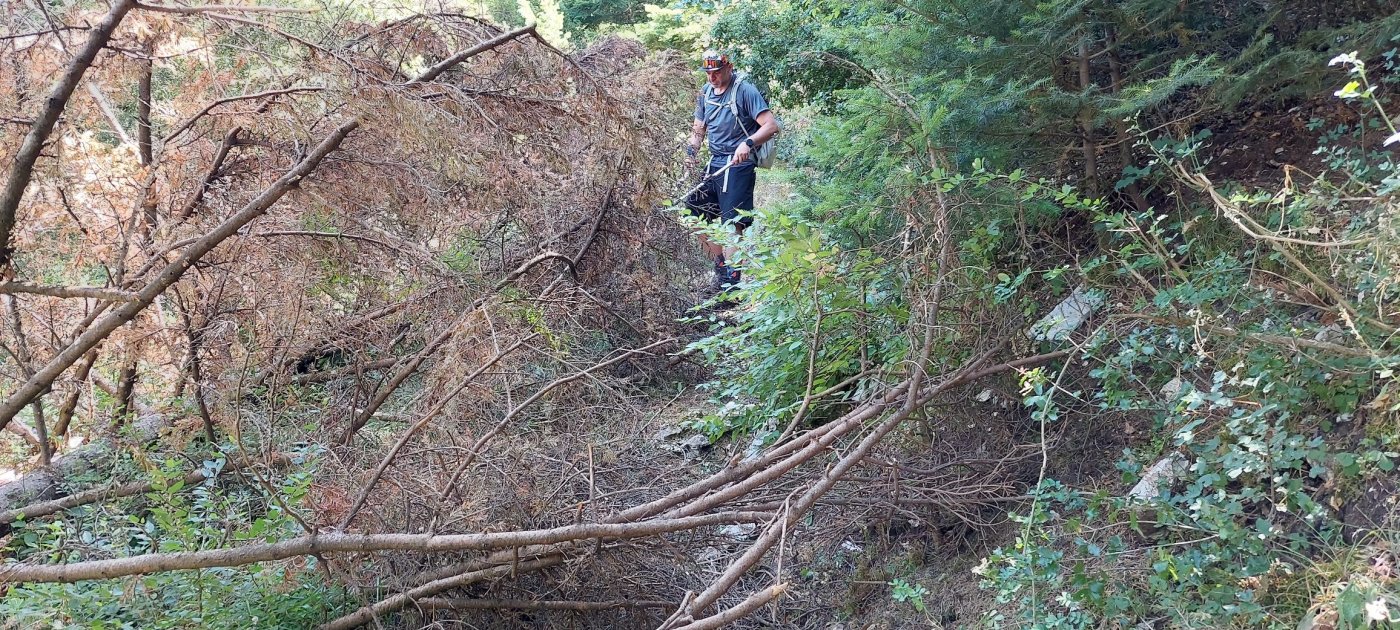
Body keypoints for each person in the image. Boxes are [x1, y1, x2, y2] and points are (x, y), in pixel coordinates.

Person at [684, 50, 780, 294]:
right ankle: (721, 267)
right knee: (692, 211)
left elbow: (770, 126)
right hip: (715, 163)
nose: (712, 77)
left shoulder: (745, 91)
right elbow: (698, 129)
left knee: (732, 223)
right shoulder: (705, 93)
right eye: (708, 73)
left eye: (717, 72)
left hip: (739, 165)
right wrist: (690, 153)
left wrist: (747, 144)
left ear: (728, 68)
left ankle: (732, 284)